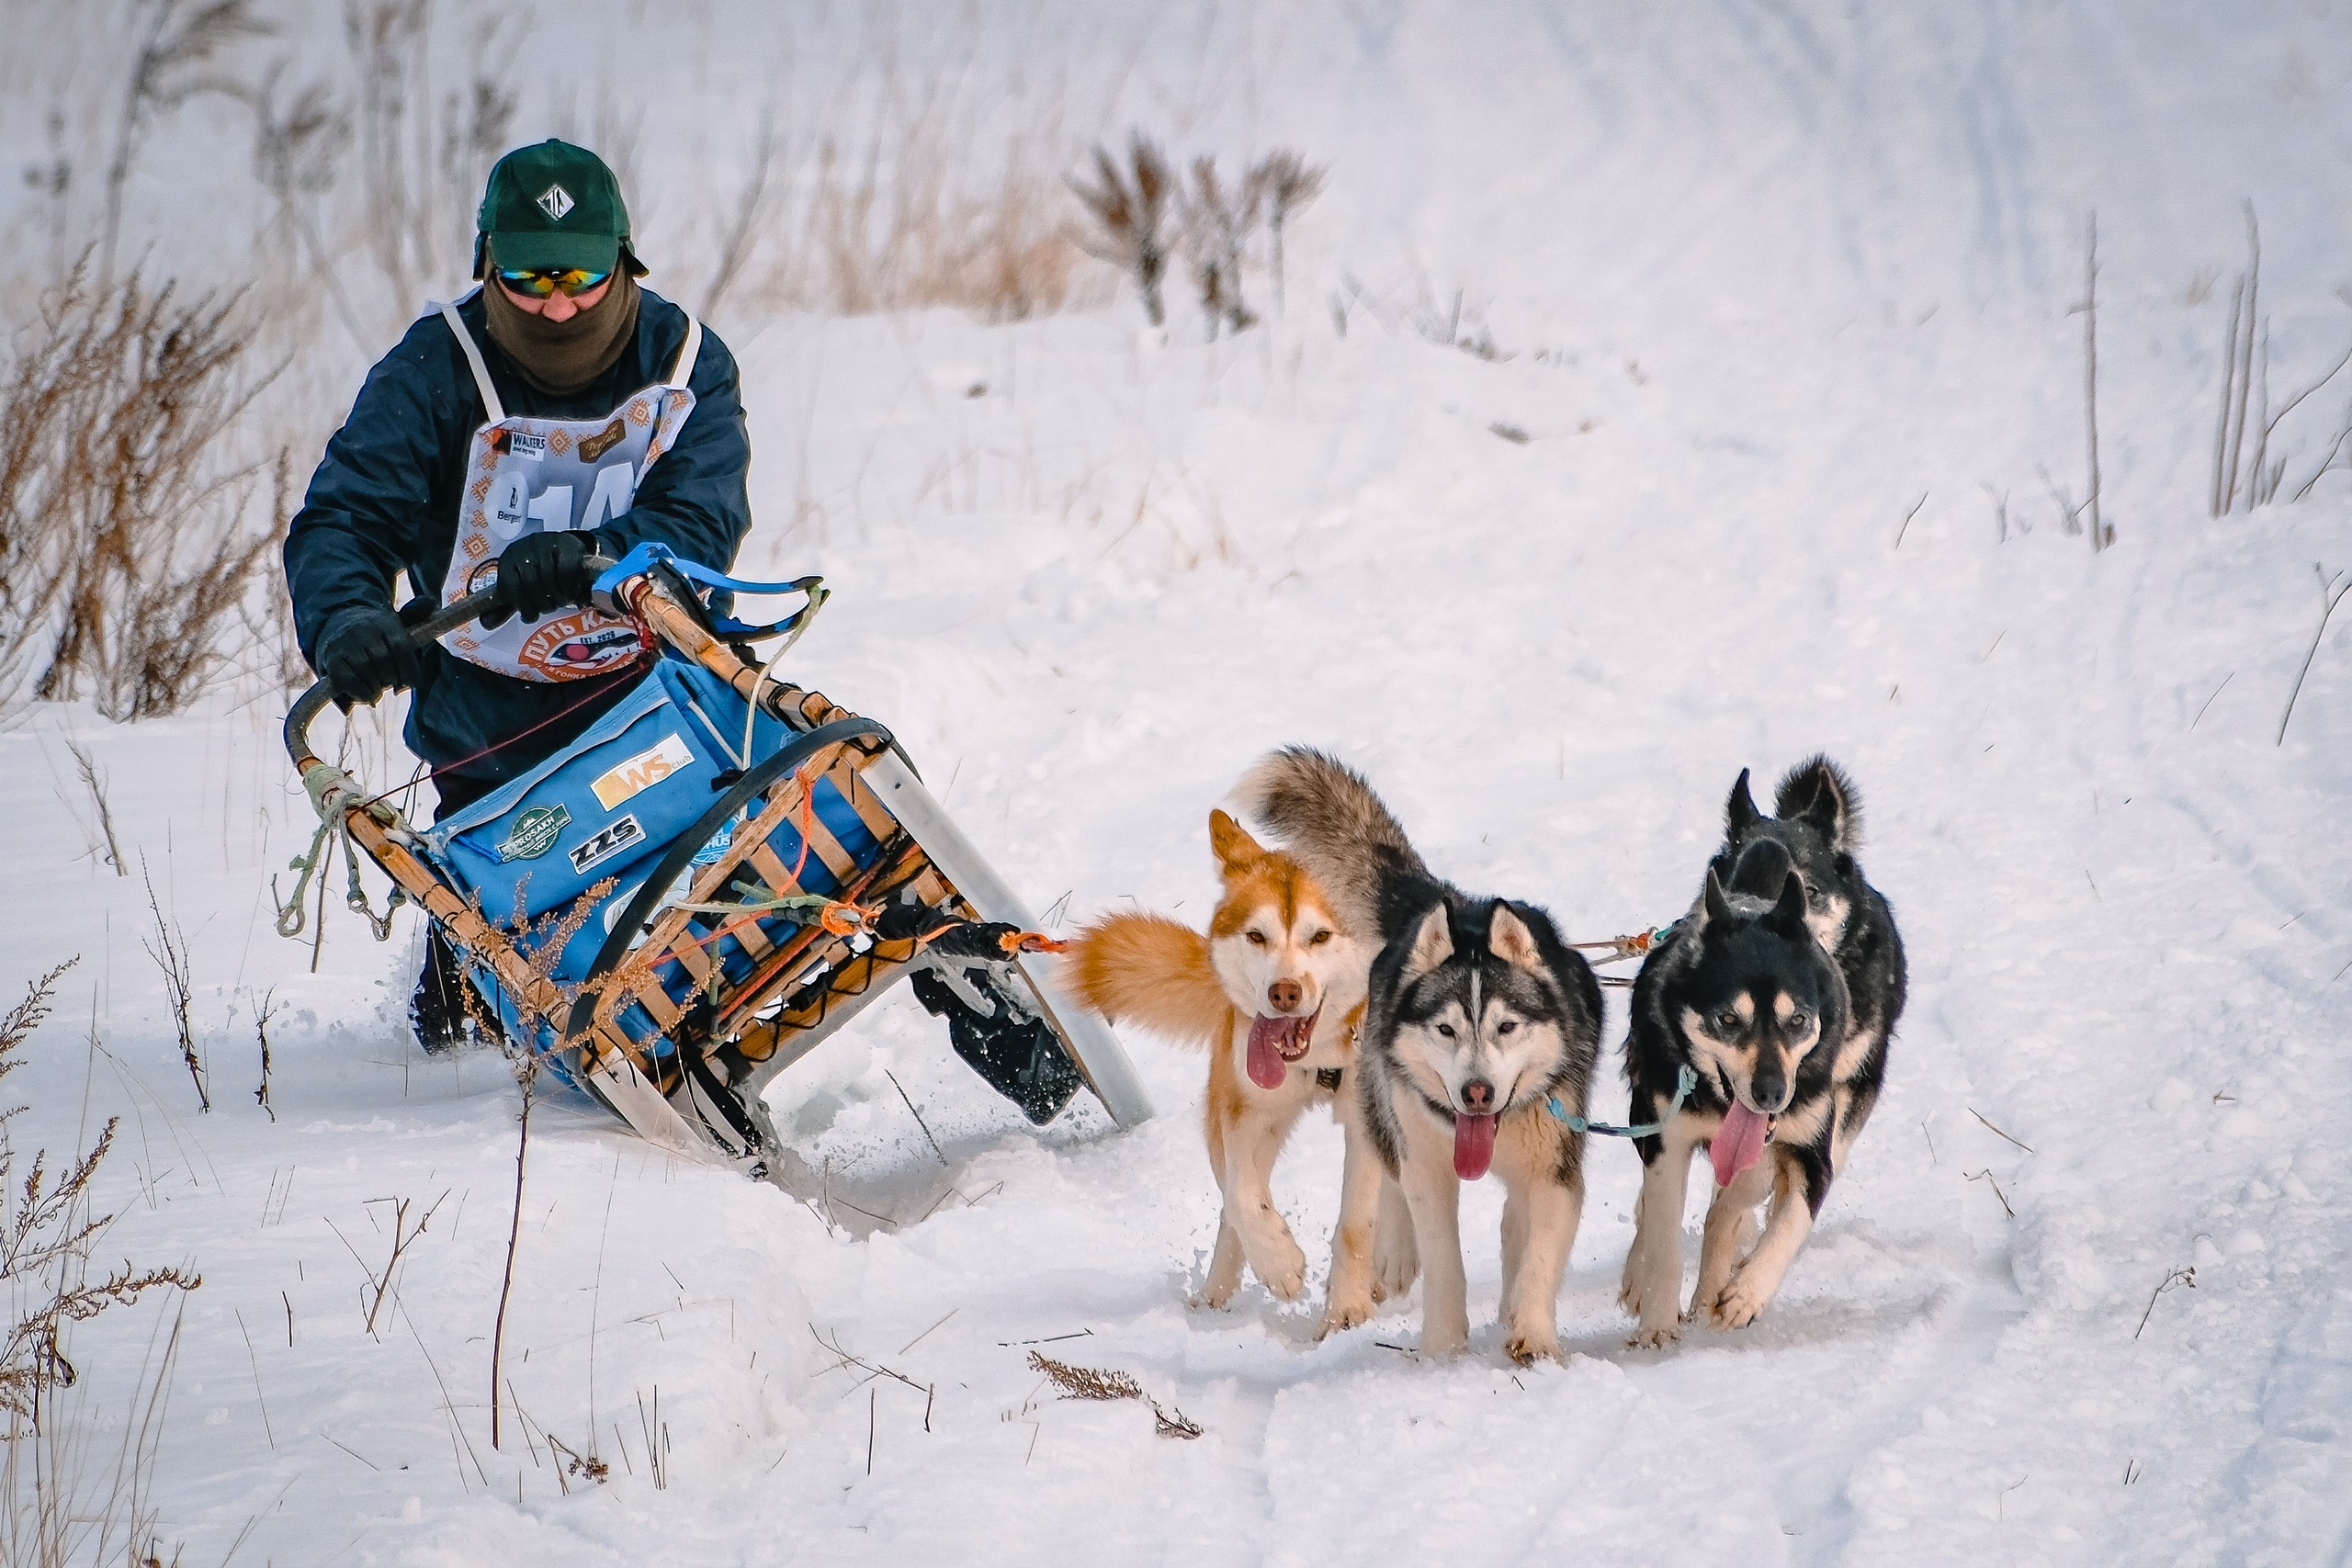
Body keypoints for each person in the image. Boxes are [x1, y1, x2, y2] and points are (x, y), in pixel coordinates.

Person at [284, 139, 752, 1052]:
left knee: (748, 847)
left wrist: (595, 554)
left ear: (623, 258)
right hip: (487, 710)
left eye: (580, 272)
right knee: (521, 907)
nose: (558, 301)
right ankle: (464, 1028)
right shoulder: (432, 370)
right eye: (528, 277)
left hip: (659, 680)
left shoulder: (685, 360)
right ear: (486, 267)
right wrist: (348, 617)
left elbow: (700, 522)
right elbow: (345, 515)